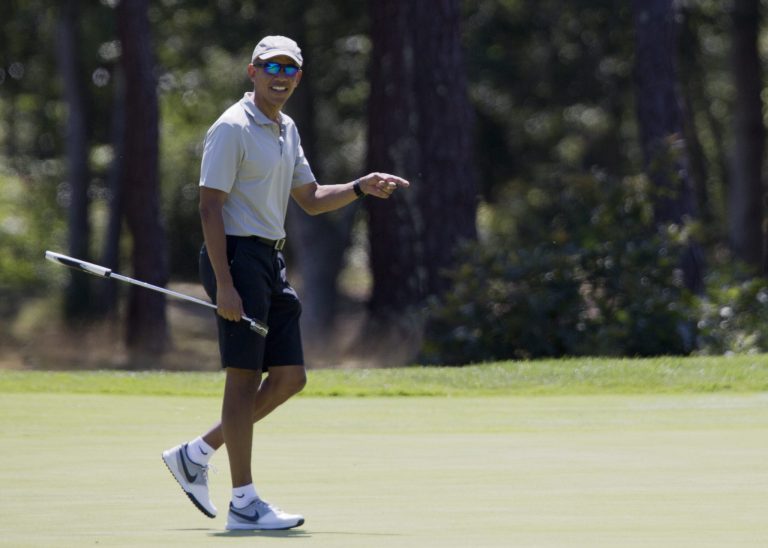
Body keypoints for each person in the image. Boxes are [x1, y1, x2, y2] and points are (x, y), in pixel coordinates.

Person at [161, 35, 409, 531]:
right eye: (271, 66)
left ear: (298, 77)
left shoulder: (285, 128)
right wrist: (225, 285)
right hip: (235, 256)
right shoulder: (232, 128)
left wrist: (361, 186)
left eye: (290, 69)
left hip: (269, 261)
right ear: (252, 71)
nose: (281, 76)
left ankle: (196, 452)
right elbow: (210, 206)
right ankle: (244, 504)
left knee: (290, 377)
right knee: (243, 376)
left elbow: (313, 198)